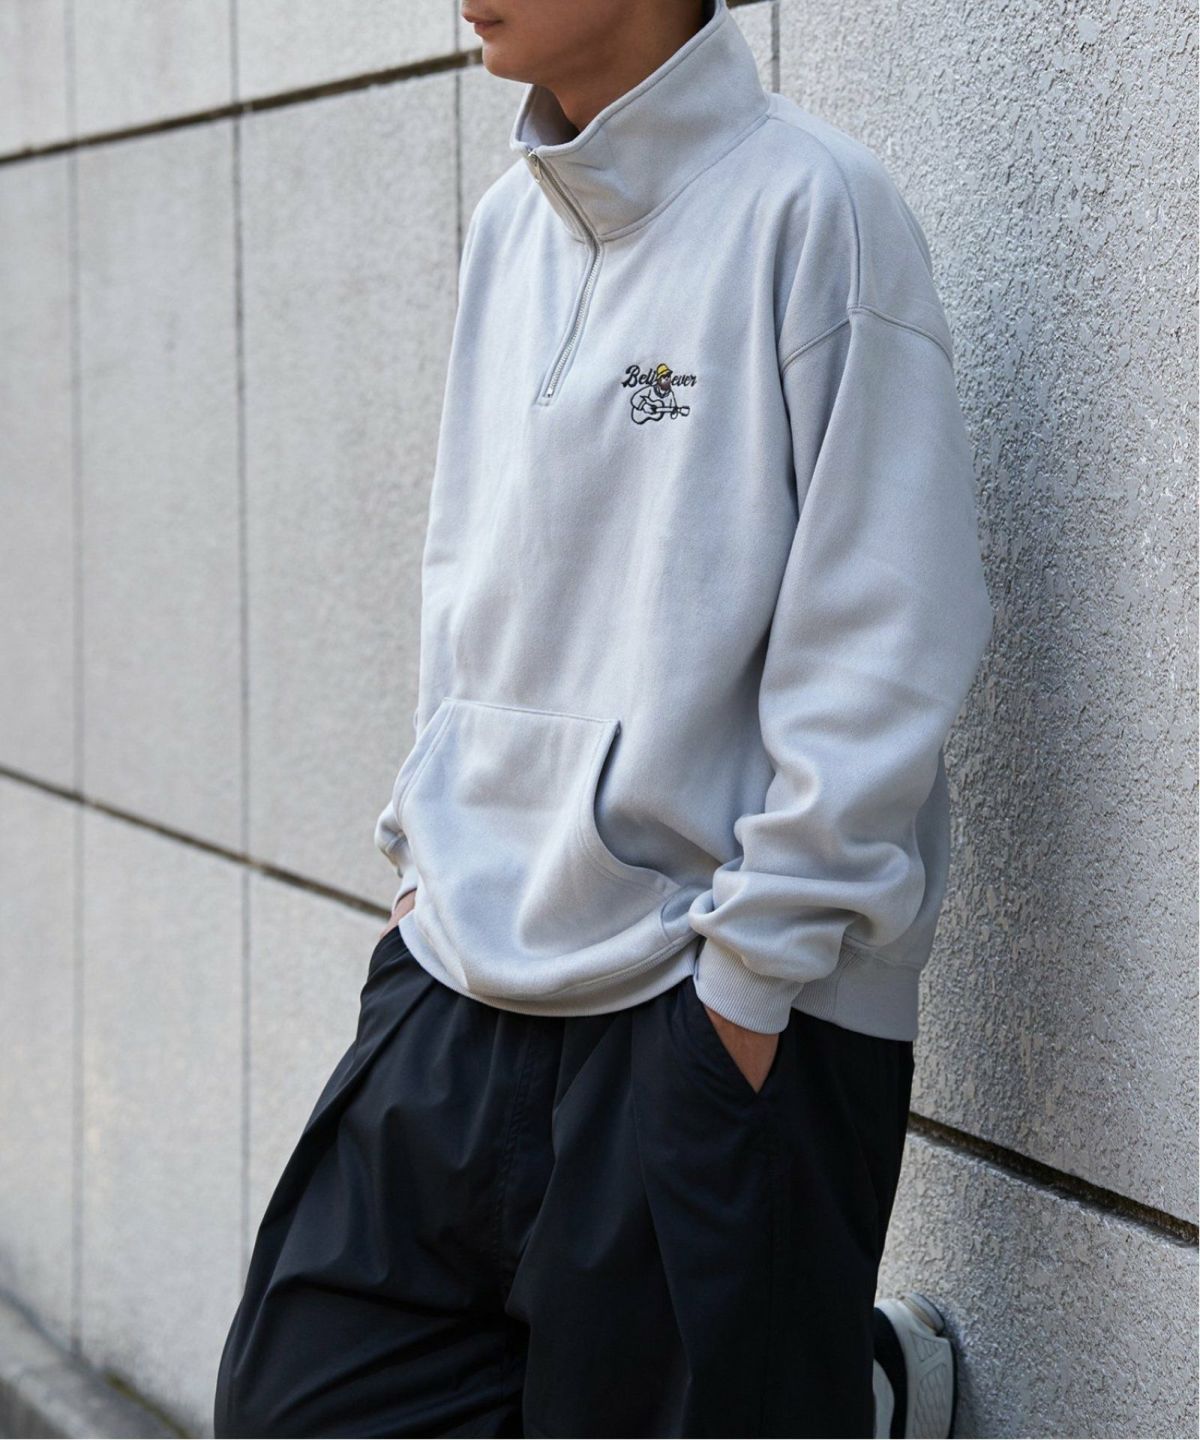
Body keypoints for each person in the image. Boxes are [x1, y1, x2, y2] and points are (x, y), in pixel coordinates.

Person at [213, 0, 991, 1435]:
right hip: (460, 974)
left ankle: (836, 1390)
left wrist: (747, 987)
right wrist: (420, 868)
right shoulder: (512, 227)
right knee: (301, 1404)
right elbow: (470, 581)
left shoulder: (814, 208)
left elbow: (884, 628)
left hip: (709, 999)